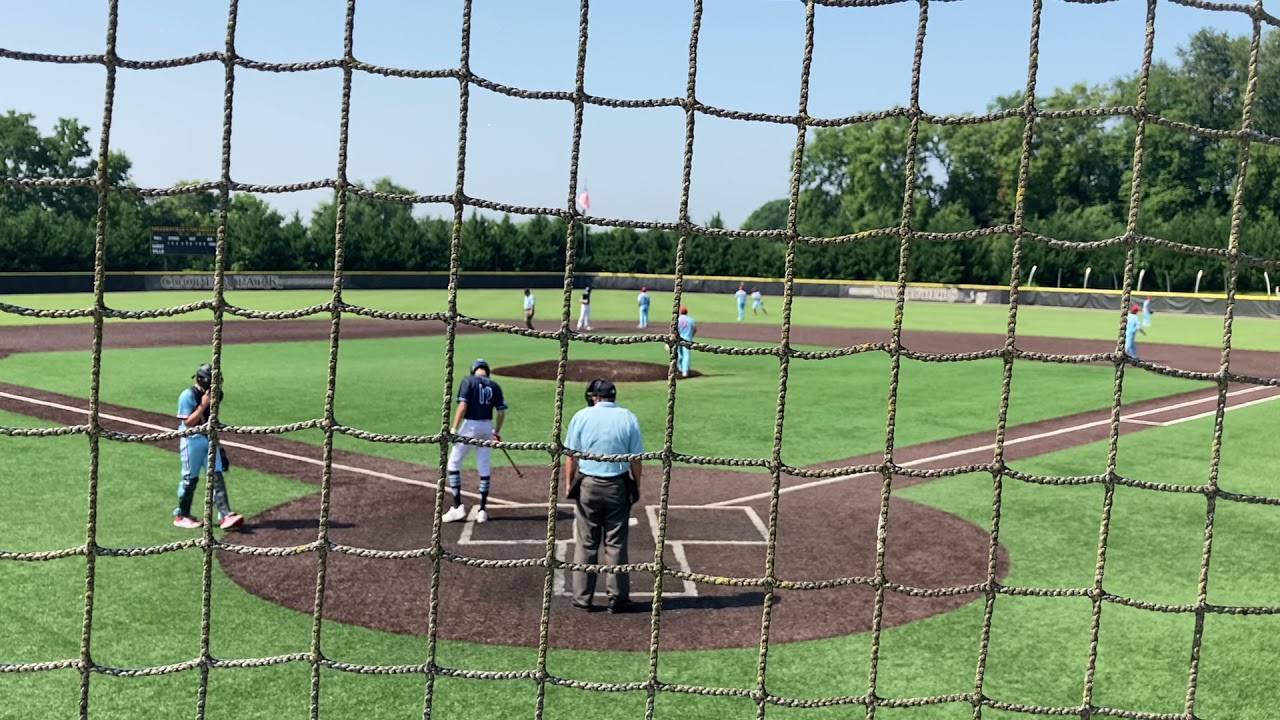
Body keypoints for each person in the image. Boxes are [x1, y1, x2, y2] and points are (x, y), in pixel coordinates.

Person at [563, 378, 643, 613]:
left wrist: (569, 483)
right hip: (618, 486)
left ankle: (582, 598)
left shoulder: (582, 415)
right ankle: (617, 598)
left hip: (588, 485)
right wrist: (636, 485)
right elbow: (636, 459)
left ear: (595, 397)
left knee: (586, 543)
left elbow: (570, 456)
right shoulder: (628, 416)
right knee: (616, 544)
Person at [173, 363, 243, 530]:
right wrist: (203, 404)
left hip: (209, 438)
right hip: (191, 440)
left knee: (216, 475)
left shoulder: (216, 395)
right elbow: (188, 423)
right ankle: (181, 514)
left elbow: (211, 421)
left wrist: (219, 446)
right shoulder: (188, 395)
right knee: (190, 478)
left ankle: (225, 515)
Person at [444, 358, 507, 523]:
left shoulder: (468, 381)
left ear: (473, 369)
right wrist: (496, 432)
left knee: (453, 463)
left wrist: (454, 430)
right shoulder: (495, 385)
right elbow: (501, 412)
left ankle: (457, 507)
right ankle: (482, 510)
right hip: (487, 427)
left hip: (470, 427)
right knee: (484, 466)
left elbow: (462, 407)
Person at [677, 305, 696, 378]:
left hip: (678, 339)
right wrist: (691, 336)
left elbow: (674, 330)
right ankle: (685, 371)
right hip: (687, 339)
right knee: (686, 355)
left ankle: (680, 368)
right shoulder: (690, 319)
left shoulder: (677, 319)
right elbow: (694, 329)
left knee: (679, 354)